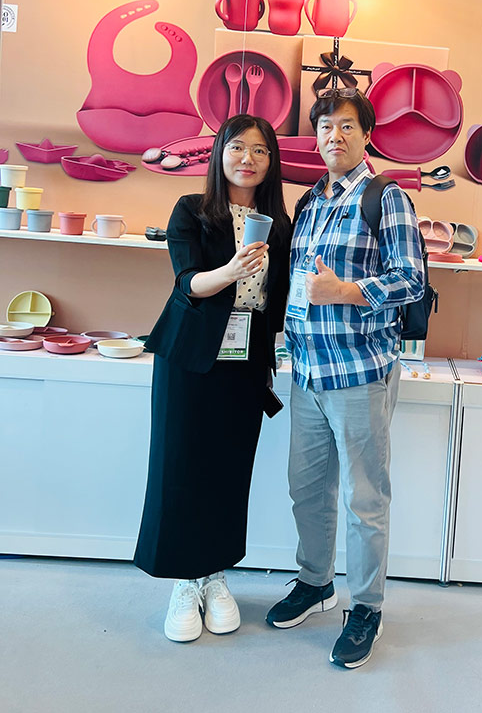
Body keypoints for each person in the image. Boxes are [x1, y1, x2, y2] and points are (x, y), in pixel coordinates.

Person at [266, 88, 424, 669]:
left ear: (366, 135)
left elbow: (411, 279)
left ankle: (366, 608)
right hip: (307, 371)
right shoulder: (309, 201)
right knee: (306, 488)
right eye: (326, 127)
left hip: (359, 373)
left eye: (347, 126)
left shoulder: (387, 198)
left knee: (364, 499)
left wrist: (346, 291)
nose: (335, 136)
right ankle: (315, 582)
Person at [134, 114, 291, 642]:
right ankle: (185, 581)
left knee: (229, 468)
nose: (249, 158)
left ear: (271, 162)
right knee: (179, 465)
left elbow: (279, 298)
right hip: (190, 356)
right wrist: (231, 270)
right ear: (219, 152)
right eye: (238, 147)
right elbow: (187, 283)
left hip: (246, 359)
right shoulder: (192, 210)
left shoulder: (280, 224)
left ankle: (215, 575)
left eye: (261, 150)